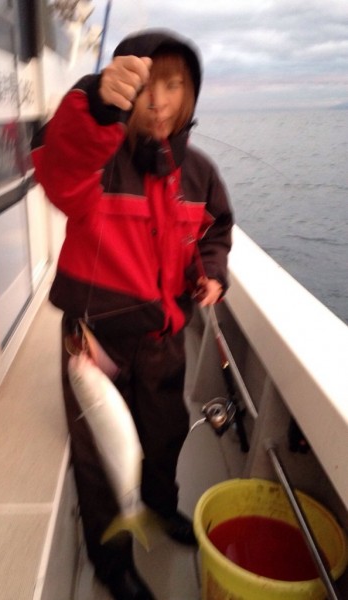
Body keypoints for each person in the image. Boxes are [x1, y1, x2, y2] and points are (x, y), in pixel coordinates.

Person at [32, 28, 233, 600]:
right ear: (125, 90)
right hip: (96, 344)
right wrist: (96, 102)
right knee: (99, 461)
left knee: (166, 433)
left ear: (191, 94)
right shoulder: (97, 162)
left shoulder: (200, 172)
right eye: (145, 86)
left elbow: (215, 230)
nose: (159, 101)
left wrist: (210, 272)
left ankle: (160, 506)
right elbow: (59, 163)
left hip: (164, 338)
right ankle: (111, 562)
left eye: (175, 86)